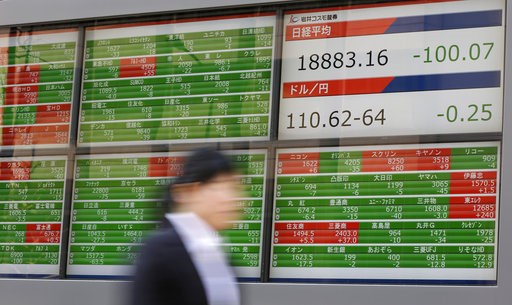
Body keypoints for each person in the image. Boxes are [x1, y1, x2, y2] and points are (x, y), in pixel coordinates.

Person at [131, 147, 242, 305]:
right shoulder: (160, 251)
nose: (231, 198)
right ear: (189, 191)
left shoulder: (219, 253)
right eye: (219, 187)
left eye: (234, 188)